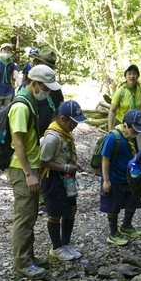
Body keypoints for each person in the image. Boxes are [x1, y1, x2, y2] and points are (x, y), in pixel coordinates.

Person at [6, 65, 62, 280]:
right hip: (22, 169)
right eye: (45, 88)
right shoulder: (21, 106)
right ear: (35, 83)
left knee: (29, 216)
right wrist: (29, 173)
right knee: (24, 217)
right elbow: (18, 143)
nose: (47, 92)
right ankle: (22, 263)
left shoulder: (30, 101)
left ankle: (28, 257)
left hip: (29, 167)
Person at [40, 100, 87, 261]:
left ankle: (65, 244)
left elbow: (63, 154)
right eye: (73, 122)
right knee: (55, 213)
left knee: (71, 209)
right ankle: (56, 247)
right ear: (62, 118)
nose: (75, 125)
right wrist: (66, 168)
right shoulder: (52, 137)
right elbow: (43, 161)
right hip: (54, 179)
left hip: (67, 179)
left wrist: (74, 163)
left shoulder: (65, 133)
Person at [100, 109, 141, 245]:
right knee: (113, 206)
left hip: (131, 177)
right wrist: (106, 180)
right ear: (125, 125)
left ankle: (126, 225)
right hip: (115, 178)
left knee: (133, 202)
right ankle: (113, 232)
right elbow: (105, 158)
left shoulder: (137, 136)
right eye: (134, 129)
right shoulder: (113, 137)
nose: (136, 132)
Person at [108, 64, 141, 147]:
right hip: (122, 124)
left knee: (140, 148)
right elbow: (112, 111)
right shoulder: (121, 91)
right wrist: (110, 129)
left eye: (134, 73)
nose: (132, 76)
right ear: (125, 76)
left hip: (138, 125)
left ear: (138, 76)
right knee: (122, 148)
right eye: (129, 73)